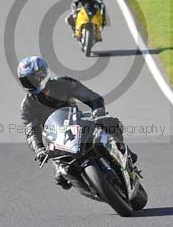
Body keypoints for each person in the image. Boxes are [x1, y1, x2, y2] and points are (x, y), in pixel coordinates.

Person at [18, 55, 124, 190]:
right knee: (61, 176)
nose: (32, 82)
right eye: (27, 81)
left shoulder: (64, 83)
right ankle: (91, 187)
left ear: (44, 72)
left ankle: (126, 156)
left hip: (79, 123)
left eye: (34, 77)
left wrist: (98, 112)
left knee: (110, 124)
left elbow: (92, 98)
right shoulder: (27, 105)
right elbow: (31, 131)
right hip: (56, 141)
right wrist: (39, 149)